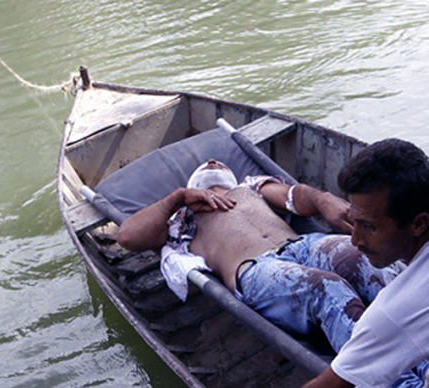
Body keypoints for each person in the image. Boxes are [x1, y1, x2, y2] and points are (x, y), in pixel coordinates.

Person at [116, 159, 409, 361]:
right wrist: (179, 198)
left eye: (220, 162)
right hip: (257, 270)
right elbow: (127, 237)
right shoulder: (181, 219)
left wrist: (322, 200)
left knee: (367, 262)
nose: (214, 162)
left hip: (303, 245)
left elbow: (296, 195)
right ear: (194, 184)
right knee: (327, 290)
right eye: (205, 165)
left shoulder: (250, 187)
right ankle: (396, 380)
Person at [304, 140, 429, 388]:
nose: (355, 239)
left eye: (370, 227)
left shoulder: (398, 307)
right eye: (355, 222)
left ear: (418, 224)